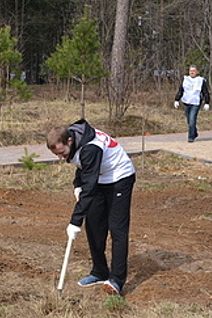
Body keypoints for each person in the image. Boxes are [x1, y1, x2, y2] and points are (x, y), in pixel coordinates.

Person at [46, 119, 136, 296]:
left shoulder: (90, 148)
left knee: (117, 228)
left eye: (62, 153)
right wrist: (77, 184)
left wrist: (74, 221)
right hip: (100, 177)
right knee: (94, 225)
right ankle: (99, 272)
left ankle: (116, 280)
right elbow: (83, 168)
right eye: (57, 154)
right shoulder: (73, 137)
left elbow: (90, 185)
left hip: (120, 178)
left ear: (69, 141)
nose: (60, 157)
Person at [174, 65, 210, 143]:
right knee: (189, 120)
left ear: (197, 72)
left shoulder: (201, 80)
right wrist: (177, 99)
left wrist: (207, 102)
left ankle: (191, 137)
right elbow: (181, 90)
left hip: (196, 102)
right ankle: (194, 132)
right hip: (186, 102)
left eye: (194, 71)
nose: (192, 72)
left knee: (192, 119)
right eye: (191, 71)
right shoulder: (185, 79)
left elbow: (205, 92)